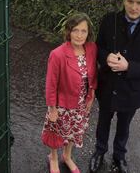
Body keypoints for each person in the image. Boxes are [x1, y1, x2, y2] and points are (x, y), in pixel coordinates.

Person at [89, 0, 140, 173]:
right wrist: (105, 56)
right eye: (130, 1)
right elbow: (97, 48)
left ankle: (119, 156)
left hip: (133, 90)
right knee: (103, 122)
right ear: (124, 0)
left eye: (139, 2)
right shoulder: (110, 20)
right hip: (107, 86)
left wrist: (129, 67)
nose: (133, 7)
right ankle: (99, 152)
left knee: (124, 126)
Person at [41, 12, 97, 173]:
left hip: (81, 103)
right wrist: (52, 109)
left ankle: (67, 156)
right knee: (56, 132)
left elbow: (93, 75)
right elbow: (51, 84)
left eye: (83, 31)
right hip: (61, 105)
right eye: (75, 30)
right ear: (68, 31)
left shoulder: (91, 49)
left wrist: (91, 95)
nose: (79, 35)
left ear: (88, 32)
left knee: (74, 132)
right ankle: (53, 157)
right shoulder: (57, 54)